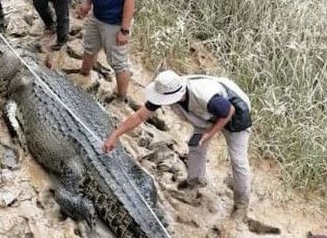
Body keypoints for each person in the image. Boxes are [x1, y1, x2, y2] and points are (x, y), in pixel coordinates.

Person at [103, 70, 254, 217]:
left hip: (236, 114)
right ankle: (194, 184)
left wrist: (209, 134)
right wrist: (115, 135)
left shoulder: (205, 96)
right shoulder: (167, 89)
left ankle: (241, 206)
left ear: (176, 96)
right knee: (195, 146)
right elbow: (139, 116)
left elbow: (229, 111)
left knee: (238, 161)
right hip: (206, 115)